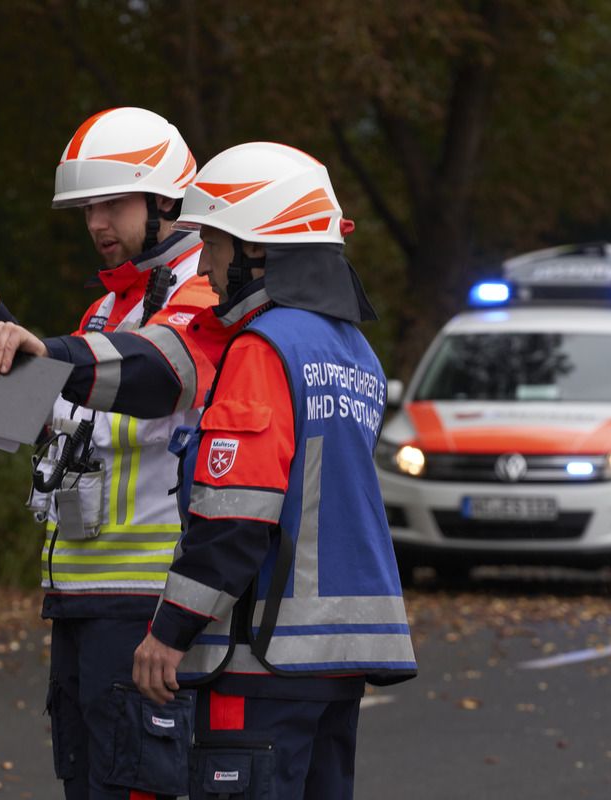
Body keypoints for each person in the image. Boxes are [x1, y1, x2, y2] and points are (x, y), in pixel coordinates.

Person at [0, 107, 216, 799]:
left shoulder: (206, 286)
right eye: (87, 207)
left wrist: (41, 346)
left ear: (166, 198)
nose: (96, 224)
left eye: (112, 203)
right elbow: (48, 413)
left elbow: (157, 376)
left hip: (151, 597)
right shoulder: (108, 310)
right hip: (84, 595)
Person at [127, 142, 419, 799]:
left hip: (261, 660)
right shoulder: (354, 351)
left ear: (259, 250)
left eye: (215, 244)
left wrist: (169, 633)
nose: (205, 262)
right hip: (337, 661)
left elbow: (236, 518)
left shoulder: (264, 347)